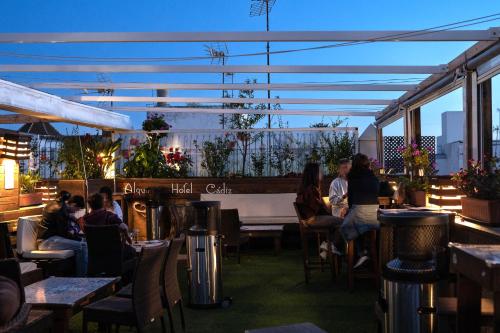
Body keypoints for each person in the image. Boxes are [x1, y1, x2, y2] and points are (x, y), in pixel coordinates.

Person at [340, 153, 380, 269]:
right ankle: (365, 253)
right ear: (367, 164)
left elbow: (351, 202)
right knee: (356, 224)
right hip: (374, 218)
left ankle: (358, 254)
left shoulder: (353, 179)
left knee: (347, 226)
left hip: (358, 215)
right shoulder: (374, 178)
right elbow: (376, 196)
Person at [296, 162, 343, 257]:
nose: (322, 173)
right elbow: (317, 209)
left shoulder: (309, 188)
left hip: (311, 218)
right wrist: (327, 208)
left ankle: (326, 250)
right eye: (320, 171)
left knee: (336, 223)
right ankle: (330, 245)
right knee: (343, 222)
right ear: (314, 174)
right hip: (313, 219)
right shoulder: (311, 189)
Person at [39, 191, 88, 276]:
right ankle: (82, 278)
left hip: (52, 239)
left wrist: (75, 220)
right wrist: (79, 239)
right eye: (77, 209)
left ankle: (77, 275)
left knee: (83, 243)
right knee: (82, 246)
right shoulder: (59, 210)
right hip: (47, 241)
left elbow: (67, 218)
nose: (76, 212)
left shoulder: (55, 206)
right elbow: (64, 233)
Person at [83, 193, 135, 260]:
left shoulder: (85, 219)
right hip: (113, 252)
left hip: (94, 255)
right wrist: (127, 237)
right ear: (102, 203)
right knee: (133, 252)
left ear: (89, 205)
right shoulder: (109, 216)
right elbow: (124, 227)